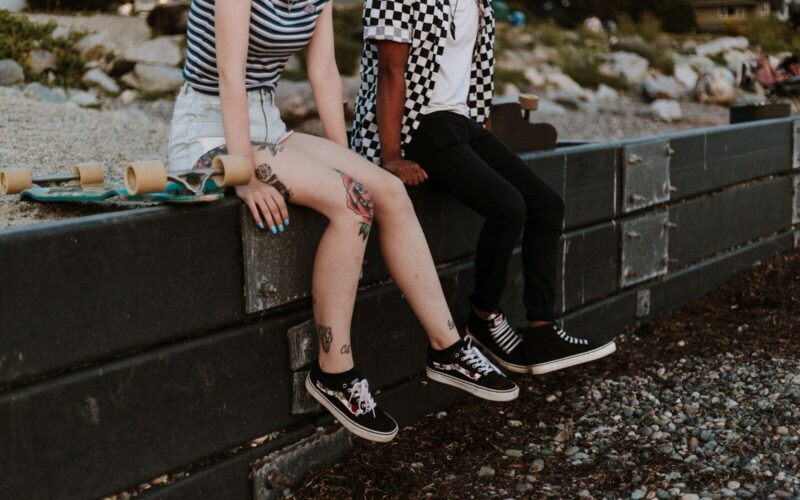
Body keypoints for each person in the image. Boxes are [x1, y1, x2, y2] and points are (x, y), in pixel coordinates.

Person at [169, 0, 518, 443]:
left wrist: (346, 158)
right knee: (353, 205)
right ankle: (334, 371)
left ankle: (448, 348)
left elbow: (325, 73)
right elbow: (229, 76)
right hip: (209, 130)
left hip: (268, 124)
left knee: (388, 191)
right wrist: (243, 176)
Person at [351, 0, 616, 375]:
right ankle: (483, 316)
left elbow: (474, 73)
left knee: (546, 205)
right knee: (508, 207)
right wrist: (391, 155)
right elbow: (390, 70)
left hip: (461, 123)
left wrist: (483, 142)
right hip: (417, 125)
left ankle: (542, 332)